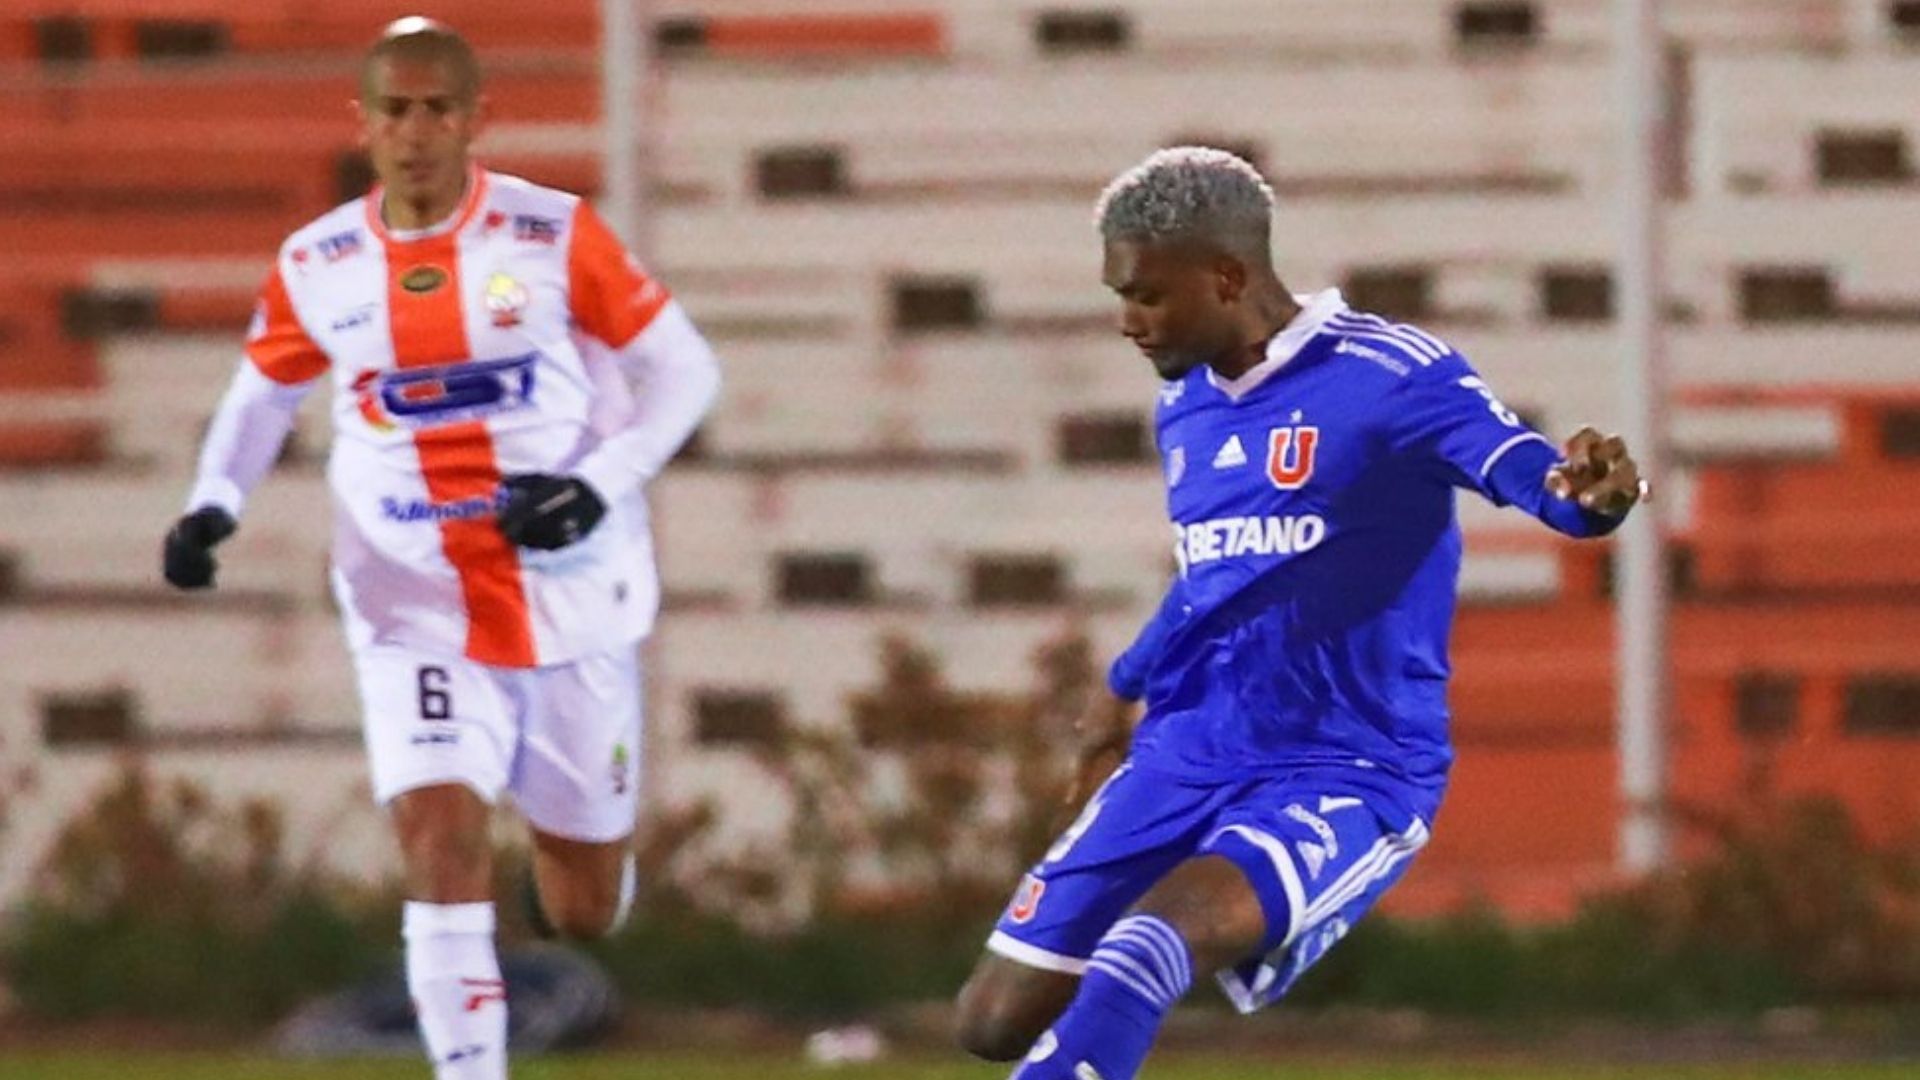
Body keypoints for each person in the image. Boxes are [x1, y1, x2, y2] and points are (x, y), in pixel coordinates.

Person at [953, 147, 1647, 1079]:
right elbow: (1217, 575)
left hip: (1342, 766)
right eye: (1120, 295)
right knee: (993, 1022)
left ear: (1229, 276)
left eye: (1147, 296)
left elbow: (1528, 471)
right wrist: (1122, 690)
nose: (1127, 321)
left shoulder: (1390, 375)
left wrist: (1585, 497)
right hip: (1187, 749)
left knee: (1146, 949)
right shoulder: (1186, 403)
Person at [160, 18, 720, 1079]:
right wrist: (211, 504)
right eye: (395, 110)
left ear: (474, 120)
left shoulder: (553, 235)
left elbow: (686, 371)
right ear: (362, 122)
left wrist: (596, 486)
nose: (415, 131)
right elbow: (262, 395)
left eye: (437, 110)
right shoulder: (318, 260)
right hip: (406, 595)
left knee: (586, 907)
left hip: (567, 597)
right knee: (438, 836)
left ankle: (563, 876)